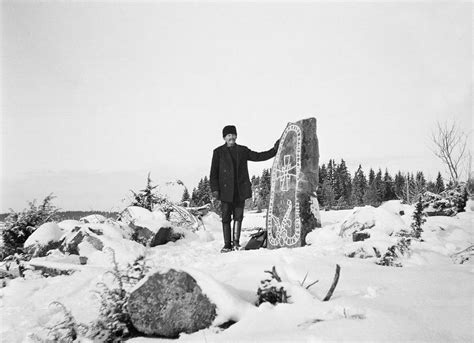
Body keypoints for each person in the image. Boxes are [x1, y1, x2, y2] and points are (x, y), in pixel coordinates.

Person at [210, 125, 279, 252]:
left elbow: (258, 156)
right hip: (225, 191)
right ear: (224, 138)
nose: (231, 137)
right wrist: (215, 189)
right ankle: (227, 245)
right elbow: (213, 173)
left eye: (233, 135)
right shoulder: (218, 152)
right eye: (228, 135)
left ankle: (235, 244)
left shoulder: (242, 150)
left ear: (236, 136)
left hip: (239, 190)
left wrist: (274, 150)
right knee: (225, 218)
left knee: (238, 217)